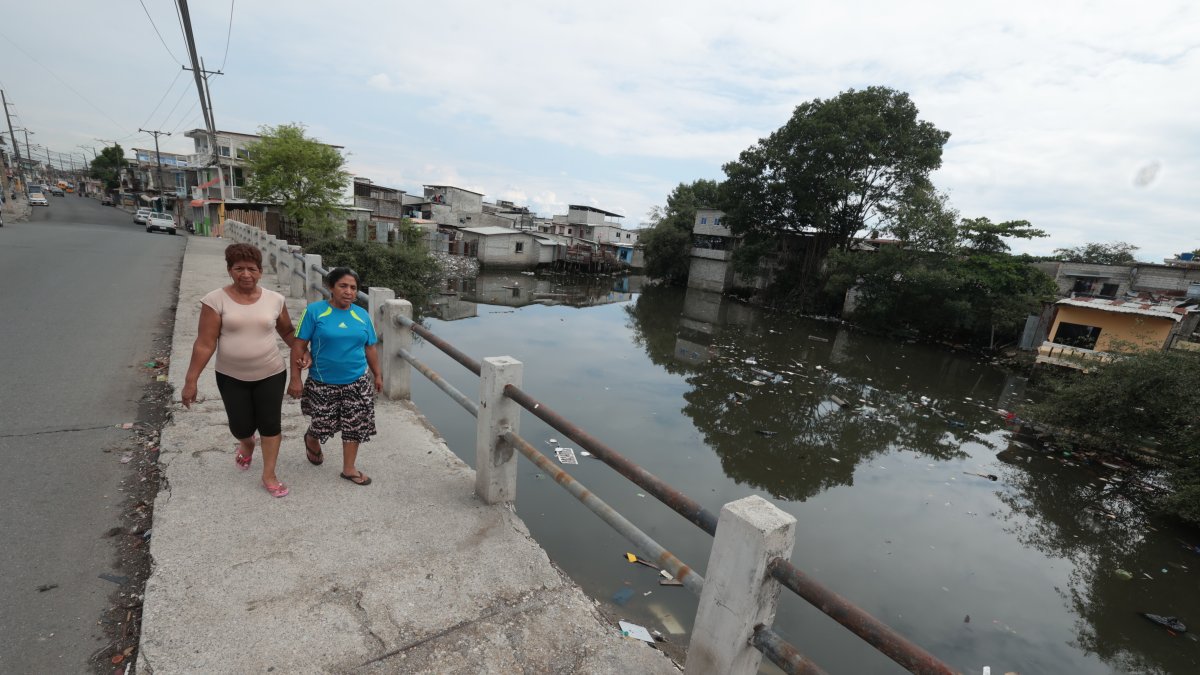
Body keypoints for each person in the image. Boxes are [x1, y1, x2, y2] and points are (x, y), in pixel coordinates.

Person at [181, 243, 300, 498]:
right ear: (229, 270)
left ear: (260, 272)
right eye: (239, 269)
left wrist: (303, 353)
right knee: (240, 426)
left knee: (271, 424)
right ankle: (246, 443)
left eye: (252, 269)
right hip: (231, 375)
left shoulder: (275, 299)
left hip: (271, 372)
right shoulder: (215, 300)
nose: (245, 274)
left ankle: (269, 474)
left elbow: (287, 331)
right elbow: (204, 343)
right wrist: (191, 381)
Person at [288, 267, 381, 486]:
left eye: (353, 288)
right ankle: (311, 439)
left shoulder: (362, 315)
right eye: (343, 286)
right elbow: (298, 345)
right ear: (331, 287)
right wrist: (295, 379)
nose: (349, 291)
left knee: (354, 426)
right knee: (322, 425)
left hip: (357, 381)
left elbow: (370, 348)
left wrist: (377, 374)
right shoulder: (315, 312)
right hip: (322, 382)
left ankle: (349, 469)